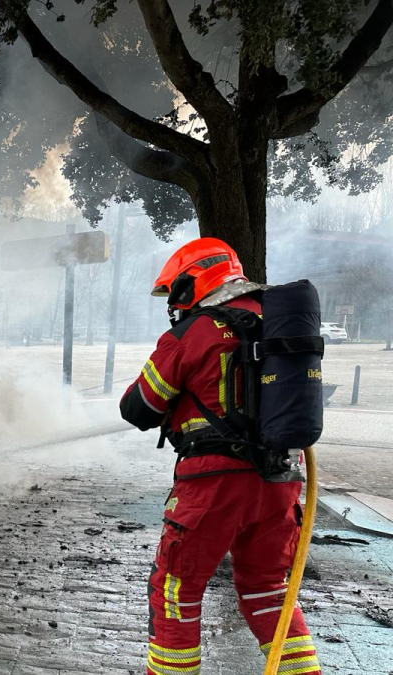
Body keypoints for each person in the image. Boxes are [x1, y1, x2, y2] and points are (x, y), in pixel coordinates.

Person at [119, 238, 320, 675]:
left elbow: (139, 408)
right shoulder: (280, 320)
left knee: (176, 590)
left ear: (190, 284)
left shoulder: (194, 332)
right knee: (269, 593)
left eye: (176, 293)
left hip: (213, 485)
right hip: (281, 481)